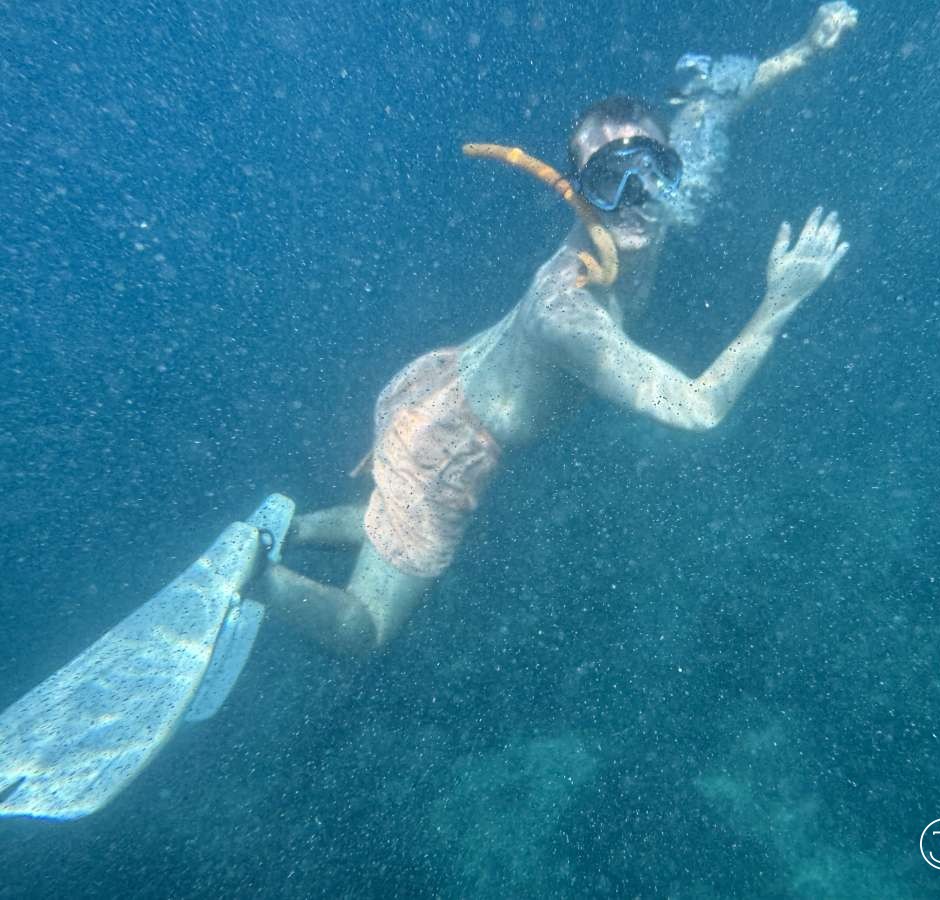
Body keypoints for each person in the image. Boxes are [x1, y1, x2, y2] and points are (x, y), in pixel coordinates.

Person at [250, 2, 858, 654]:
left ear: (671, 166)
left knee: (390, 509)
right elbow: (700, 408)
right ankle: (256, 580)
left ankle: (287, 532)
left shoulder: (653, 198)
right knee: (365, 630)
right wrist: (782, 299)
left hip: (436, 382)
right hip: (448, 445)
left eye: (653, 170)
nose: (637, 197)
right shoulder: (568, 313)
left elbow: (712, 108)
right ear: (578, 189)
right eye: (608, 179)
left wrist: (805, 49)